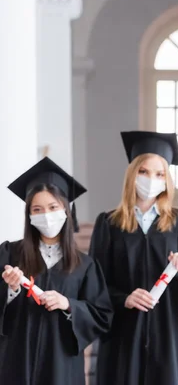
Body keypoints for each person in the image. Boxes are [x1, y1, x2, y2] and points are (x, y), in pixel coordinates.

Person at [90, 131, 178, 385]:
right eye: (143, 171)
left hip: (171, 338)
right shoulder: (108, 224)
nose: (151, 179)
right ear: (132, 174)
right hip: (123, 338)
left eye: (159, 174)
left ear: (167, 180)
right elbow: (94, 285)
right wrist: (124, 298)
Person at [0, 157, 113, 385]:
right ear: (29, 215)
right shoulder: (9, 254)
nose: (46, 215)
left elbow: (102, 316)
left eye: (53, 207)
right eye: (37, 209)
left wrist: (69, 305)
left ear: (66, 210)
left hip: (62, 368)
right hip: (17, 362)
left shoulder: (85, 266)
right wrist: (11, 291)